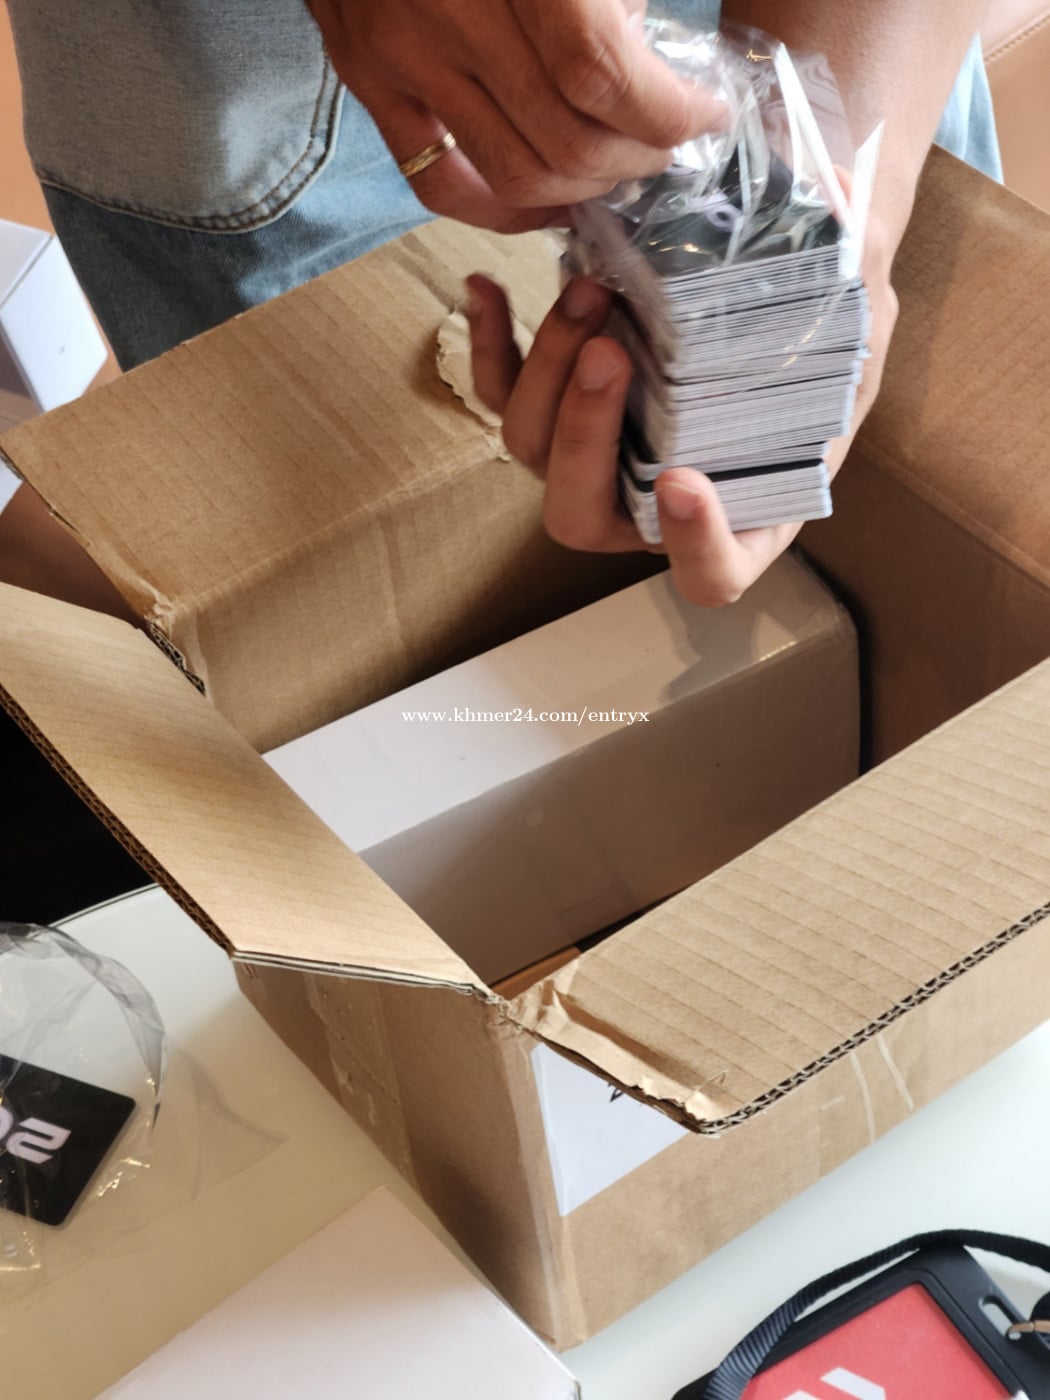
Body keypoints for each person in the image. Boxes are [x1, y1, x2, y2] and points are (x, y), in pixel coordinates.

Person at [1, 0, 999, 612]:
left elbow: (820, 202)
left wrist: (824, 209)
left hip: (831, 46)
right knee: (328, 568)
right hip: (242, 100)